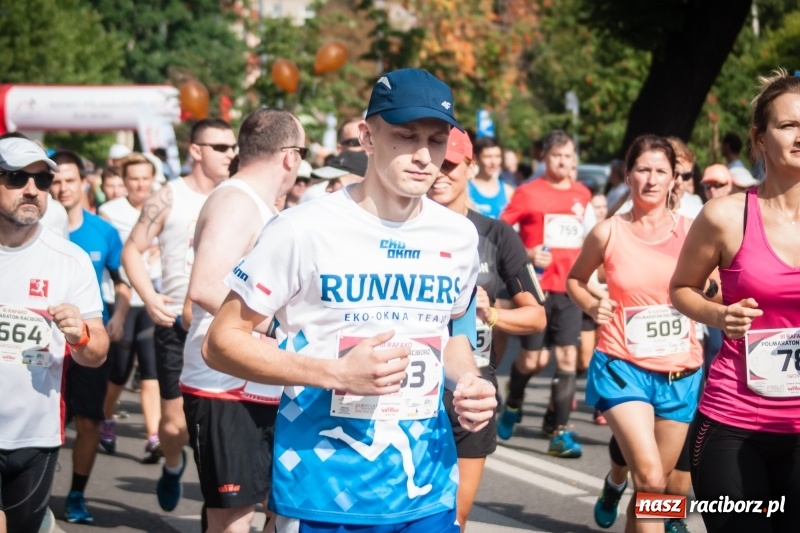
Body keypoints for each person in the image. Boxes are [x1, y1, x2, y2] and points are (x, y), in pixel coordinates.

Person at [203, 68, 497, 532]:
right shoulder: (303, 228)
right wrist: (335, 373)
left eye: (437, 140)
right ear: (367, 137)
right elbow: (220, 341)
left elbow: (451, 334)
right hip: (322, 489)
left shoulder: (459, 235)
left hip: (426, 486)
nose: (423, 156)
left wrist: (468, 382)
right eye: (406, 136)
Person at [670, 69, 800, 533]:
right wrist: (720, 314)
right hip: (733, 421)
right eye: (788, 126)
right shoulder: (726, 216)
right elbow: (681, 289)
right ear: (759, 138)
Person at [568, 135, 704, 533]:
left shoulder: (694, 231)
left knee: (652, 496)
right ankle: (616, 482)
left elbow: (712, 284)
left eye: (661, 171)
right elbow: (576, 280)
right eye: (642, 169)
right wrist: (592, 304)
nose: (651, 179)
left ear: (674, 178)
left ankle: (621, 497)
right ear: (627, 176)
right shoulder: (608, 232)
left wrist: (711, 294)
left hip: (680, 370)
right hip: (622, 364)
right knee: (649, 477)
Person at [181, 109, 303, 532]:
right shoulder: (236, 200)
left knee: (279, 509)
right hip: (225, 386)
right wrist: (274, 329)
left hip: (255, 381)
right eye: (301, 153)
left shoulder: (256, 204)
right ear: (289, 156)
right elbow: (205, 284)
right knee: (232, 522)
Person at [427, 127, 545, 530]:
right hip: (411, 385)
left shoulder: (496, 234)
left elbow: (535, 316)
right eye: (433, 165)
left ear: (470, 167)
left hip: (472, 385)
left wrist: (490, 313)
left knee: (455, 517)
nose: (439, 175)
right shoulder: (399, 229)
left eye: (450, 166)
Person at [121, 118, 236, 512]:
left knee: (220, 423)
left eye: (233, 147)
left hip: (221, 323)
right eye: (220, 147)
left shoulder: (237, 196)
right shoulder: (168, 197)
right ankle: (173, 463)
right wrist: (149, 296)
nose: (230, 154)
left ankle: (219, 500)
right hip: (174, 322)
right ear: (196, 150)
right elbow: (132, 250)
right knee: (174, 426)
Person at [0, 137, 108, 532]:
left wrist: (79, 335)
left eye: (42, 181)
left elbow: (96, 353)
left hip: (34, 435)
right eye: (16, 177)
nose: (31, 189)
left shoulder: (69, 260)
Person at [498, 129, 595, 458]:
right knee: (532, 360)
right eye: (557, 156)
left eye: (568, 156)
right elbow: (500, 232)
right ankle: (513, 402)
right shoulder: (528, 193)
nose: (563, 162)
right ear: (545, 157)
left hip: (569, 289)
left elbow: (592, 239)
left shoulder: (583, 194)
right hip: (536, 289)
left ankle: (560, 432)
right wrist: (526, 251)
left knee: (567, 357)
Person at [49, 150, 130, 524]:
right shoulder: (31, 227)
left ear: (84, 181)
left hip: (87, 338)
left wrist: (119, 317)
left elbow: (122, 281)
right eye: (55, 180)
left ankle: (77, 494)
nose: (62, 188)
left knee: (87, 423)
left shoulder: (103, 231)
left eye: (69, 180)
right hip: (40, 342)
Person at [97, 154, 162, 462]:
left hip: (154, 299)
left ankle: (153, 437)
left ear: (153, 179)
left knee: (151, 370)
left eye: (145, 178)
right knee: (120, 372)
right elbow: (115, 256)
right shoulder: (110, 212)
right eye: (133, 178)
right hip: (120, 299)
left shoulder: (163, 206)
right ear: (124, 181)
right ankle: (106, 418)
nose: (140, 184)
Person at [468, 138, 514, 219]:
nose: (493, 162)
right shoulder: (464, 189)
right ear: (476, 158)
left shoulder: (508, 192)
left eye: (497, 156)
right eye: (488, 157)